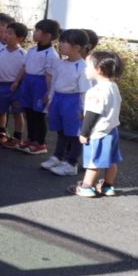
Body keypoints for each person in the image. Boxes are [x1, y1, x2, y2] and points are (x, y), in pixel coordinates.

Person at [69, 50, 124, 197]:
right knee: (111, 160)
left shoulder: (96, 91)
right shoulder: (113, 86)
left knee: (94, 162)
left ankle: (86, 187)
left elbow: (92, 115)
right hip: (112, 130)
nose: (85, 69)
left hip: (98, 133)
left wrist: (84, 133)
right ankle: (107, 186)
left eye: (88, 66)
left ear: (98, 69)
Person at [41, 29, 92, 177]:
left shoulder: (83, 67)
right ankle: (58, 157)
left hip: (73, 102)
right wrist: (50, 99)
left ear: (76, 47)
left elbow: (84, 91)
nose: (60, 44)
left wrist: (84, 110)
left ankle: (71, 163)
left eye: (64, 42)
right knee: (61, 131)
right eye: (60, 41)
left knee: (74, 134)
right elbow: (54, 83)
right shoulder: (60, 63)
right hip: (58, 99)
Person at [12, 18, 61, 155]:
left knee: (39, 114)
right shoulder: (32, 50)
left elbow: (49, 76)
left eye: (38, 30)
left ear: (48, 35)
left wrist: (48, 93)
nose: (34, 33)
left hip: (40, 85)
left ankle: (40, 143)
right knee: (29, 112)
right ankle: (30, 139)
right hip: (28, 82)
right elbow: (24, 67)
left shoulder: (51, 54)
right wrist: (17, 81)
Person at [0, 22, 28, 148]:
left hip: (17, 88)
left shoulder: (24, 54)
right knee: (0, 111)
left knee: (18, 113)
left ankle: (17, 137)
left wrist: (17, 82)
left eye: (10, 33)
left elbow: (26, 71)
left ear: (20, 38)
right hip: (1, 85)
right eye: (6, 32)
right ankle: (2, 133)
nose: (6, 35)